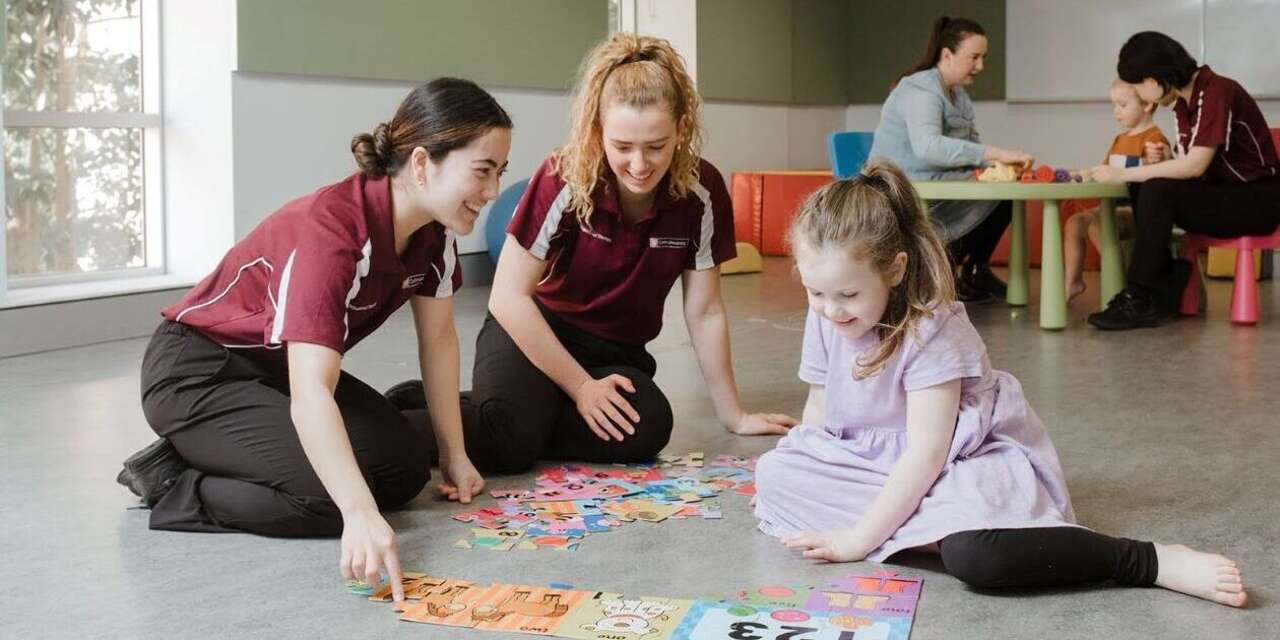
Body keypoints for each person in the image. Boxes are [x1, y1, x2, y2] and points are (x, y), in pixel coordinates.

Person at [753, 160, 1247, 607]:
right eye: (815, 292)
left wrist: (856, 540)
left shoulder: (932, 326)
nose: (831, 309)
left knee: (979, 557)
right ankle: (916, 528)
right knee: (775, 474)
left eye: (848, 294)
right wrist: (810, 462)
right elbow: (819, 407)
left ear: (896, 269)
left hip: (956, 458)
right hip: (871, 461)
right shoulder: (827, 316)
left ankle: (1147, 560)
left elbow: (927, 454)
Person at [118, 78, 511, 602]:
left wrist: (454, 453)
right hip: (196, 371)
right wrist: (357, 515)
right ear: (422, 163)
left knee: (403, 469)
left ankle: (249, 451)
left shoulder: (434, 236)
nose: (492, 192)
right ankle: (175, 482)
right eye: (482, 171)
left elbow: (438, 341)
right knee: (329, 500)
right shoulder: (333, 235)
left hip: (275, 368)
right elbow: (311, 394)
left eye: (500, 173)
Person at [387, 33, 796, 473]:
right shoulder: (565, 177)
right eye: (622, 147)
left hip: (614, 352)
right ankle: (409, 417)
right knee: (509, 444)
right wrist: (581, 388)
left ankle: (512, 409)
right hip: (531, 330)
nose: (639, 165)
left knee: (648, 428)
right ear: (598, 131)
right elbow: (507, 298)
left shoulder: (702, 191)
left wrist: (733, 414)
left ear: (682, 128)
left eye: (656, 146)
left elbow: (705, 311)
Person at [1088, 31, 1280, 330]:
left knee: (1153, 185)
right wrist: (1165, 157)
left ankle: (1141, 295)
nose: (1140, 94)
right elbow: (1191, 166)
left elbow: (1194, 166)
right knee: (1149, 183)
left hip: (1257, 199)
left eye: (1138, 86)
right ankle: (1162, 283)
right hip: (1223, 194)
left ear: (1152, 80)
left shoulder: (1216, 91)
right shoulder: (1181, 104)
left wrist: (1124, 173)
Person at [869, 15, 1033, 303]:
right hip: (904, 185)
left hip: (935, 180)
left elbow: (970, 146)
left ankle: (973, 271)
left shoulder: (958, 96)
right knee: (997, 196)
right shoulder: (920, 90)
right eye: (974, 57)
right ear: (947, 54)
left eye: (983, 58)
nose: (980, 66)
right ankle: (934, 271)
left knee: (1007, 193)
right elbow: (928, 147)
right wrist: (995, 154)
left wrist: (1002, 166)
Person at [1064, 79, 1170, 302]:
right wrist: (1082, 174)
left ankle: (1124, 284)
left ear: (1147, 105)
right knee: (1074, 222)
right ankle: (1072, 282)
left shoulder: (1153, 138)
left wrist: (1158, 157)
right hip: (1112, 209)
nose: (1116, 112)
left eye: (1122, 105)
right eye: (1114, 105)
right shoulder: (1119, 140)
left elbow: (1165, 162)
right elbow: (1103, 170)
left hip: (1135, 212)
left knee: (1096, 223)